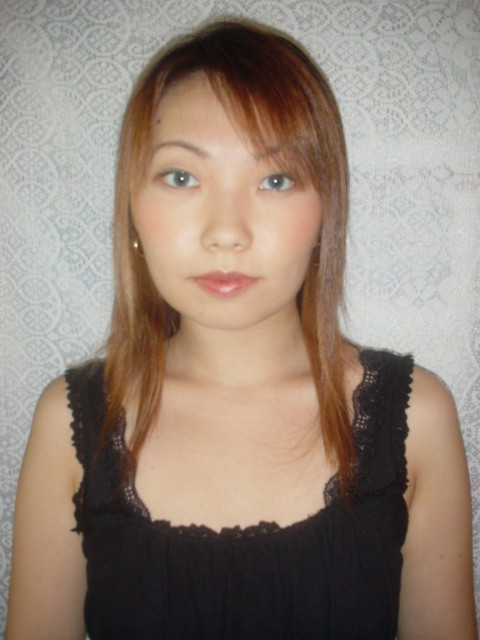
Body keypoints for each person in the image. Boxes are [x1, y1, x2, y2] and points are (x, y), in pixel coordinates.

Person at [5, 19, 477, 640]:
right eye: (181, 177)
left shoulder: (417, 419)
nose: (226, 232)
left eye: (275, 180)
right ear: (132, 208)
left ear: (325, 210)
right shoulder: (70, 424)